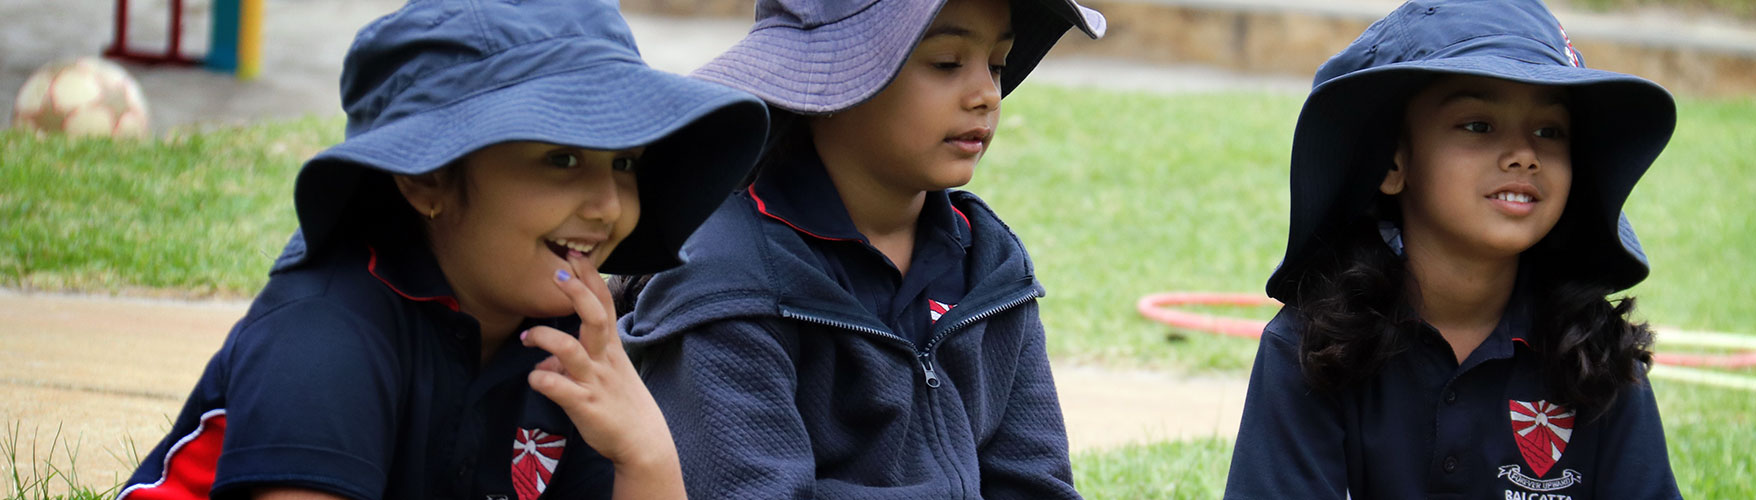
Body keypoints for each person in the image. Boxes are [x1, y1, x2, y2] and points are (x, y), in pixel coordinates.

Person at [118, 0, 767, 498]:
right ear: (427, 178)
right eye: (562, 157)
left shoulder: (567, 342)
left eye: (625, 161)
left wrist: (645, 450)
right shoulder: (326, 333)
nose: (609, 204)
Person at [614, 0, 1103, 497]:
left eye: (996, 64)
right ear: (831, 81)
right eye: (947, 63)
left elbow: (1034, 481)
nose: (986, 95)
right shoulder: (726, 279)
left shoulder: (990, 263)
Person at [1223, 1, 1683, 498]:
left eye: (1549, 132)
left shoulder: (1594, 352)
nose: (1524, 156)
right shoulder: (1311, 346)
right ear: (1394, 164)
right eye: (1478, 125)